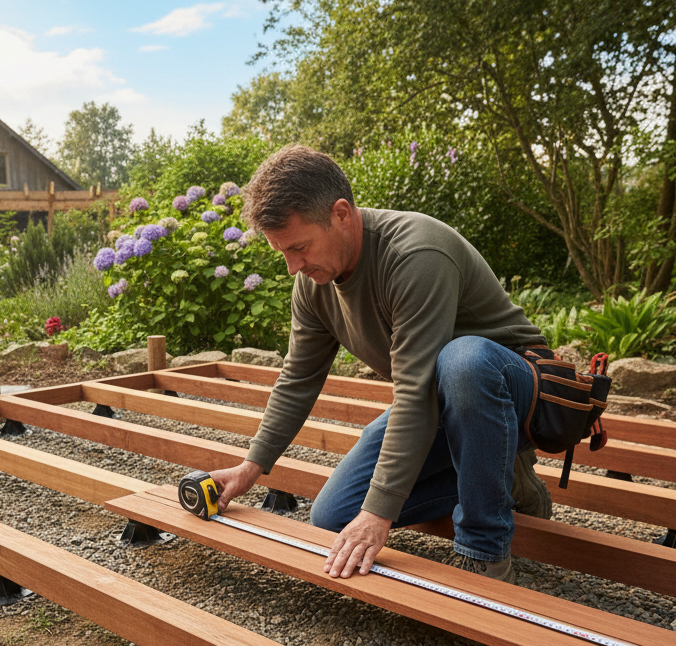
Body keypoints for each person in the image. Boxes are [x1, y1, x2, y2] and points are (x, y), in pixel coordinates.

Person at [210, 144, 552, 585]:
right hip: (440, 397)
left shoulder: (415, 256)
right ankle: (503, 483)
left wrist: (379, 513)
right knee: (332, 515)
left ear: (341, 214)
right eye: (283, 254)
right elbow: (297, 380)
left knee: (462, 358)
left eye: (299, 248)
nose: (294, 266)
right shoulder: (314, 284)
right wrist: (250, 467)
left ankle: (483, 549)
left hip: (515, 395)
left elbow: (413, 391)